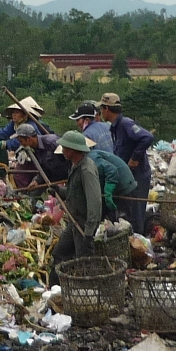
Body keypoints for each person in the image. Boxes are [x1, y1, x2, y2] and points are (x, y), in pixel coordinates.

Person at [49, 131, 102, 285]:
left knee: (84, 262)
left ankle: (88, 292)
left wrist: (89, 232)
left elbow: (95, 202)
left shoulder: (87, 170)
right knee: (60, 253)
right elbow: (73, 194)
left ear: (72, 150)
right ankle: (56, 290)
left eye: (65, 148)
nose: (63, 151)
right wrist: (59, 191)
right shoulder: (75, 166)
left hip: (83, 224)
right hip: (74, 221)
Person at [99, 93, 154, 235]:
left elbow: (147, 137)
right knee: (128, 213)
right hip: (129, 176)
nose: (100, 112)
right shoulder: (114, 128)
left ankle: (140, 243)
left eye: (101, 109)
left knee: (136, 214)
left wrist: (135, 158)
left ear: (106, 109)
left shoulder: (125, 124)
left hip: (138, 175)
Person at [89, 147, 138, 222]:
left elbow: (112, 170)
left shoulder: (91, 159)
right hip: (116, 187)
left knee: (123, 221)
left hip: (124, 187)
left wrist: (108, 192)